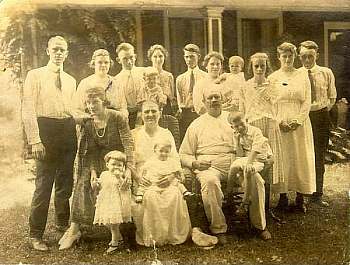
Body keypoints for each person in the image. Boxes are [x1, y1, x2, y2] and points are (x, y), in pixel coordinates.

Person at [180, 87, 271, 242]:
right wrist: (195, 163)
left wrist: (263, 156)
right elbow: (183, 154)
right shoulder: (196, 124)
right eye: (210, 98)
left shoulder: (233, 119)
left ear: (222, 100)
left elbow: (253, 138)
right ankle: (219, 228)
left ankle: (259, 225)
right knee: (210, 182)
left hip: (236, 162)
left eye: (217, 97)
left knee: (256, 180)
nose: (214, 100)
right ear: (204, 102)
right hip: (209, 165)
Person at [58, 86, 134, 250]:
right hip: (97, 162)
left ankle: (115, 229)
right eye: (88, 102)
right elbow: (90, 151)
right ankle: (74, 229)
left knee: (115, 181)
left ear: (104, 102)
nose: (91, 106)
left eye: (95, 102)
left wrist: (128, 169)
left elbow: (128, 144)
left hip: (117, 161)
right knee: (84, 182)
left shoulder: (117, 117)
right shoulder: (88, 122)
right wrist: (93, 172)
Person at [22, 36, 77, 251]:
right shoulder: (35, 75)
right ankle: (35, 234)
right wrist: (35, 140)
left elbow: (71, 109)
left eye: (62, 50)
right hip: (45, 130)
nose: (59, 53)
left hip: (66, 130)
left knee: (65, 184)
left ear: (66, 53)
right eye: (55, 49)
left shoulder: (71, 80)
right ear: (47, 51)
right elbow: (28, 109)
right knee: (44, 185)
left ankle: (63, 227)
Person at [131, 101, 192, 247]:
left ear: (160, 113)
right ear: (141, 114)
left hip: (167, 172)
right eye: (146, 112)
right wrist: (137, 178)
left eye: (154, 111)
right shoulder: (134, 134)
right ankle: (155, 237)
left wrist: (171, 176)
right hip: (144, 176)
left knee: (174, 195)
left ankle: (173, 235)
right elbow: (129, 162)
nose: (150, 115)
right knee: (151, 196)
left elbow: (175, 158)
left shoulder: (166, 133)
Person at [269, 42, 316, 213]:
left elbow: (307, 101)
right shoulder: (273, 78)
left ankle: (299, 197)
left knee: (299, 157)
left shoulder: (302, 75)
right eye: (284, 56)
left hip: (299, 122)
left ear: (294, 57)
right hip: (280, 123)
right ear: (279, 57)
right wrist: (280, 121)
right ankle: (281, 197)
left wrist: (297, 120)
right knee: (283, 158)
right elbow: (271, 104)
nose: (287, 59)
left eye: (290, 56)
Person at [298, 40, 337, 207]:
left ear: (317, 56)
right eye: (303, 57)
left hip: (321, 116)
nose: (307, 60)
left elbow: (332, 96)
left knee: (319, 155)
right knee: (303, 155)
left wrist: (322, 110)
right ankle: (302, 193)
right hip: (303, 117)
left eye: (310, 56)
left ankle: (318, 194)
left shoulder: (326, 72)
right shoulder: (296, 74)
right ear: (299, 57)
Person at [240, 52, 285, 190]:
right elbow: (242, 109)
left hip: (270, 125)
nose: (259, 69)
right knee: (255, 159)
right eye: (256, 66)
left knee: (268, 161)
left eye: (262, 66)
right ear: (251, 68)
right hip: (253, 126)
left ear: (267, 67)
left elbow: (278, 107)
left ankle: (266, 205)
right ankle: (253, 199)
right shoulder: (246, 86)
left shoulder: (273, 85)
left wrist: (276, 121)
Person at [226, 111, 272, 215]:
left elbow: (256, 149)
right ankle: (229, 193)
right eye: (236, 126)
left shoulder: (256, 131)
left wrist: (249, 163)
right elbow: (240, 155)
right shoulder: (237, 135)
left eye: (242, 124)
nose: (240, 128)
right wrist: (237, 142)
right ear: (232, 127)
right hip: (246, 159)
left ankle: (246, 200)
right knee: (233, 167)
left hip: (258, 160)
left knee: (247, 170)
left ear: (246, 121)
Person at [92, 150, 132, 253]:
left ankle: (114, 243)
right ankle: (120, 238)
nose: (116, 167)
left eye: (119, 165)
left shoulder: (122, 176)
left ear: (123, 167)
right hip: (106, 202)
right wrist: (95, 184)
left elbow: (124, 187)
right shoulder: (105, 174)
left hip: (116, 204)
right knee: (107, 222)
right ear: (107, 165)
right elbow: (100, 185)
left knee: (114, 224)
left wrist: (119, 178)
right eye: (113, 164)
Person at [135, 138, 192, 203]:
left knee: (177, 182)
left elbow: (178, 169)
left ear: (170, 152)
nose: (164, 154)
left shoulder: (171, 161)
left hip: (168, 180)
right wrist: (140, 175)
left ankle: (185, 192)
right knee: (145, 183)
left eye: (166, 152)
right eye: (161, 151)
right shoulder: (152, 160)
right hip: (155, 179)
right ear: (155, 150)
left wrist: (182, 175)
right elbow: (143, 168)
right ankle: (139, 194)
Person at [74, 49, 128, 117]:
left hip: (114, 123)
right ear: (93, 64)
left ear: (110, 64)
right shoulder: (85, 83)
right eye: (100, 62)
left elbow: (123, 109)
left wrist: (115, 117)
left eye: (106, 62)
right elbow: (77, 110)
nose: (103, 65)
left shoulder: (116, 83)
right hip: (92, 123)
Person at [175, 44, 207, 142]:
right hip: (186, 114)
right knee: (186, 141)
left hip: (201, 114)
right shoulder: (180, 79)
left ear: (199, 57)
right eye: (186, 57)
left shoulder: (205, 77)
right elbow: (179, 100)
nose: (189, 60)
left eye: (192, 56)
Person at [113, 42, 145, 129]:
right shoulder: (116, 80)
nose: (129, 62)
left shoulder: (144, 73)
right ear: (118, 60)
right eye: (125, 59)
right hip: (128, 116)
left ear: (135, 56)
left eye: (131, 57)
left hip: (146, 114)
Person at [147, 44, 176, 115]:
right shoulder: (146, 73)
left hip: (166, 109)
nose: (158, 59)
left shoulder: (169, 76)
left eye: (160, 56)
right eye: (155, 56)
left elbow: (171, 97)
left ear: (164, 57)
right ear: (150, 58)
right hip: (150, 108)